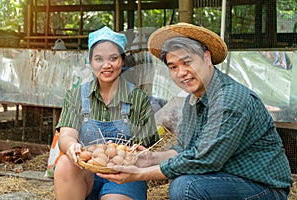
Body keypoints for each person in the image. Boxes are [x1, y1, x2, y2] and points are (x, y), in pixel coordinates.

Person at [98, 23, 293, 200]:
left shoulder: (230, 99)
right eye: (173, 67)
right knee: (184, 182)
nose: (181, 72)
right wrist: (151, 159)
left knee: (186, 187)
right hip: (225, 178)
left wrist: (140, 174)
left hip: (263, 187)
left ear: (207, 57)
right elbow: (184, 150)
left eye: (187, 62)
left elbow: (204, 160)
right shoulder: (193, 100)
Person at [54, 26, 159, 200]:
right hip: (85, 172)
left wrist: (125, 153)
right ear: (90, 62)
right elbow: (66, 135)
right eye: (99, 59)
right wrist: (71, 145)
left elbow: (146, 148)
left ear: (123, 60)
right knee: (65, 163)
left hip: (125, 176)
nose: (106, 65)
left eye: (113, 58)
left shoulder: (138, 98)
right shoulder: (76, 96)